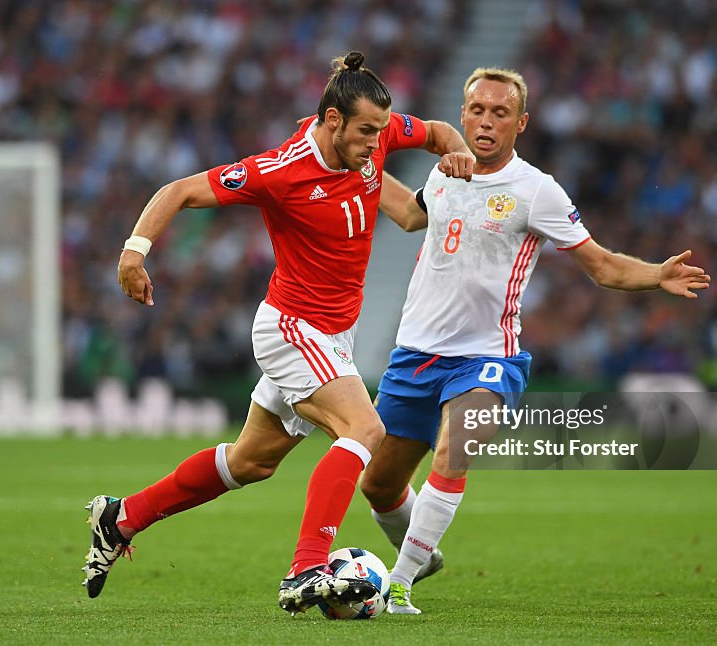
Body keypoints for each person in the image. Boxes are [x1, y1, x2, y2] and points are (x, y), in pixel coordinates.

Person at [82, 51, 476, 616]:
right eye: (366, 131)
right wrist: (134, 252)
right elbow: (179, 190)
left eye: (381, 131)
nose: (376, 142)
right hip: (292, 327)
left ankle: (121, 518)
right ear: (334, 121)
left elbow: (437, 133)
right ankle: (306, 568)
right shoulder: (280, 170)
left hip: (335, 334)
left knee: (250, 463)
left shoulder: (374, 135)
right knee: (364, 428)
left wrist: (458, 154)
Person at [362, 67, 711, 614]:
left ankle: (399, 585)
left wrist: (654, 275)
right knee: (378, 487)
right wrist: (358, 162)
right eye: (477, 109)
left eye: (500, 112)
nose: (486, 120)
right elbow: (409, 216)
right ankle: (421, 552)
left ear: (519, 123)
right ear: (463, 114)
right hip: (415, 354)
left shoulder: (536, 190)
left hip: (487, 357)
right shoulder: (444, 173)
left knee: (456, 450)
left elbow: (601, 266)